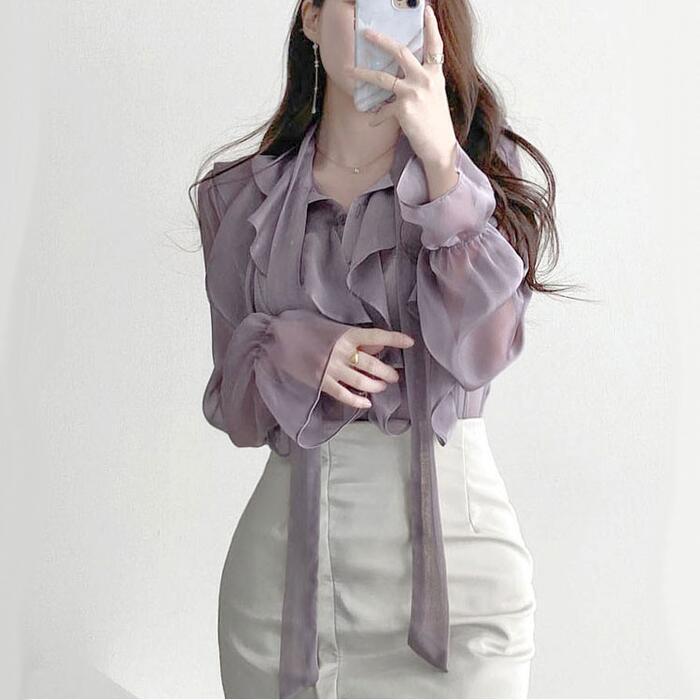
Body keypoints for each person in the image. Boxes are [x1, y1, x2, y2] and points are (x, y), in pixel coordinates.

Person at [192, 0, 562, 697]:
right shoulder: (239, 197)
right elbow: (236, 410)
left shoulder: (483, 179)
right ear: (311, 17)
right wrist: (288, 348)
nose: (377, 20)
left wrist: (442, 164)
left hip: (462, 590)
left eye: (403, 2)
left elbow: (484, 352)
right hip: (283, 599)